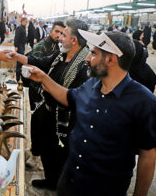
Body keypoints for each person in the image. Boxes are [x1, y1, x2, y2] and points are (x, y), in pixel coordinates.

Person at [27, 30, 156, 196]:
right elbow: (68, 96)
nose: (87, 58)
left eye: (93, 53)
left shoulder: (143, 102)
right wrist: (44, 78)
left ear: (111, 59)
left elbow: (148, 156)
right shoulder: (92, 84)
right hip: (70, 179)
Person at [11, 19, 90, 190]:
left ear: (74, 40)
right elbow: (40, 62)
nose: (60, 38)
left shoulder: (84, 66)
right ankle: (50, 180)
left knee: (60, 154)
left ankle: (60, 185)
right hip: (47, 112)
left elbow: (72, 98)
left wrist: (44, 80)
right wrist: (17, 57)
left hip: (65, 120)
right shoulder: (60, 56)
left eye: (64, 34)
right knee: (47, 150)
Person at [25, 21, 65, 110]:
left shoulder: (57, 47)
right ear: (50, 32)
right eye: (57, 31)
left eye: (62, 33)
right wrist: (40, 93)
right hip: (38, 93)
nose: (59, 35)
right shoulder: (41, 46)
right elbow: (34, 69)